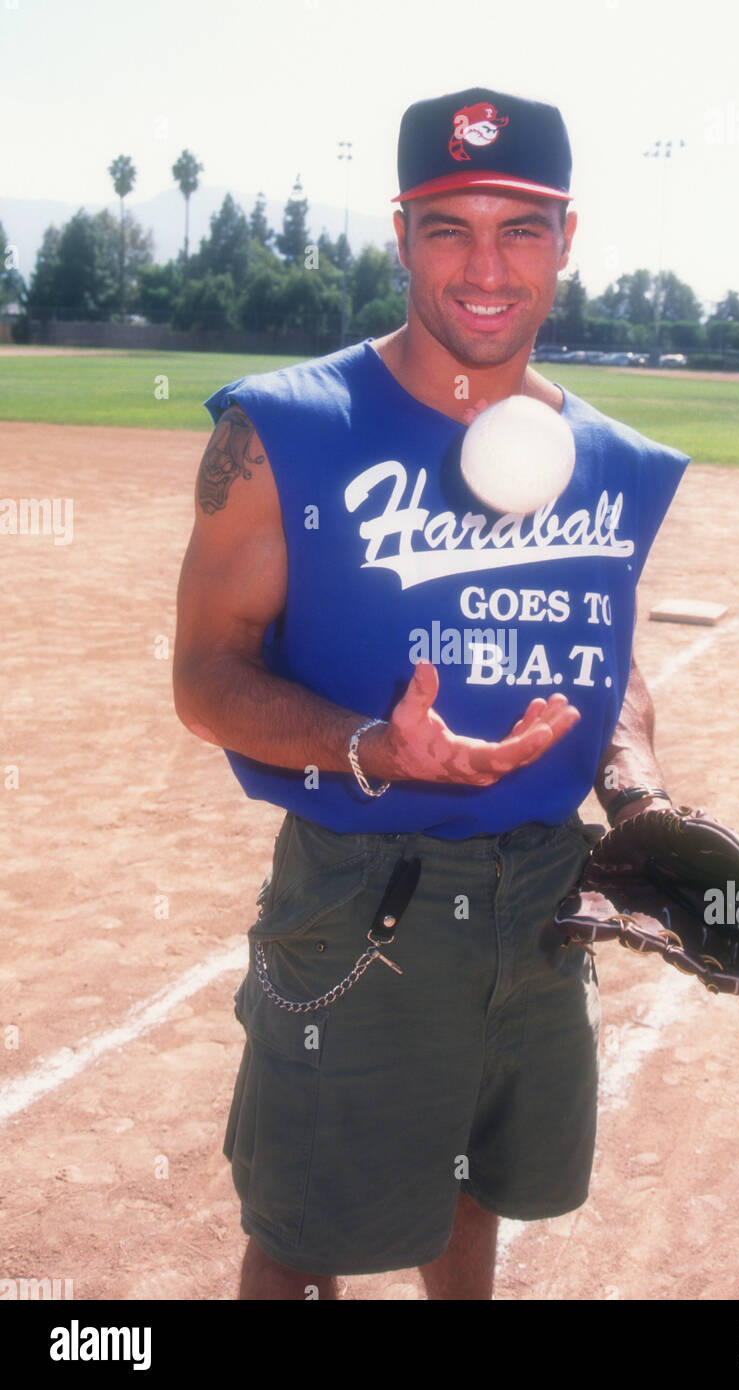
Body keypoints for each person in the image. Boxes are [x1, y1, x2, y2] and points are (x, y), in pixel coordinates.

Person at [172, 87, 689, 1301]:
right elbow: (204, 676)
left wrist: (637, 789)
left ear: (566, 239)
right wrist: (373, 745)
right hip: (365, 896)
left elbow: (598, 659)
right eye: (449, 225)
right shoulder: (279, 429)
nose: (484, 265)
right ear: (401, 233)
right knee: (305, 1232)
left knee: (477, 1191)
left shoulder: (611, 462)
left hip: (545, 893)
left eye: (519, 227)